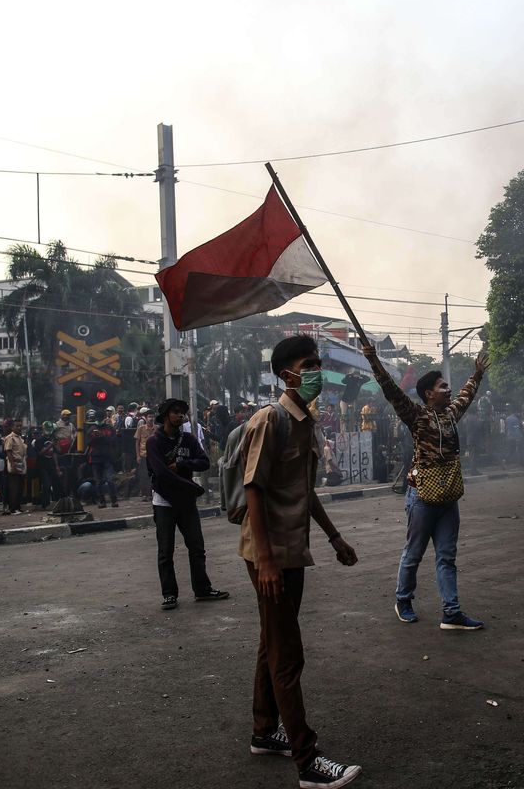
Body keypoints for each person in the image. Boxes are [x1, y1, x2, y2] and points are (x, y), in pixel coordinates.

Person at [239, 335, 362, 788]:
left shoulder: (305, 421)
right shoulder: (270, 420)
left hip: (294, 550)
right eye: (308, 364)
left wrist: (334, 537)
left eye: (317, 364)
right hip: (270, 554)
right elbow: (253, 487)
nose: (316, 373)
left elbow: (302, 492)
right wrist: (267, 561)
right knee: (287, 656)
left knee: (271, 642)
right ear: (286, 373)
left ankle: (263, 730)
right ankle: (308, 761)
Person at [364, 341, 489, 630]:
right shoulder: (416, 415)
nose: (449, 390)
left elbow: (467, 396)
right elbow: (392, 392)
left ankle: (452, 612)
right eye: (443, 386)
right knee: (414, 552)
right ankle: (403, 600)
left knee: (447, 555)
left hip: (448, 495)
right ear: (428, 394)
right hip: (421, 495)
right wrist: (374, 362)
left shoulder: (450, 414)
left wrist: (477, 375)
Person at [147, 398, 228, 610]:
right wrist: (191, 486)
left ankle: (202, 589)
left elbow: (204, 462)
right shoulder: (154, 441)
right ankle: (169, 594)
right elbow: (161, 473)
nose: (180, 416)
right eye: (175, 412)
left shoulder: (189, 440)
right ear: (165, 415)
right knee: (166, 551)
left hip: (186, 503)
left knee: (197, 547)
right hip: (164, 502)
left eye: (182, 412)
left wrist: (183, 463)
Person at [87, 409, 119, 508]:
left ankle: (114, 500)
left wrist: (103, 436)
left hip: (107, 457)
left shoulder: (109, 428)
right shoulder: (91, 429)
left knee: (110, 479)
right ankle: (102, 501)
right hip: (96, 458)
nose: (99, 420)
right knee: (99, 481)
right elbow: (88, 443)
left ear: (104, 418)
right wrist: (95, 437)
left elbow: (113, 440)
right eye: (98, 418)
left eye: (100, 418)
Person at [3, 420, 27, 514]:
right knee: (14, 487)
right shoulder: (10, 438)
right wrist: (13, 465)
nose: (19, 428)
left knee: (20, 486)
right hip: (13, 462)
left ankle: (18, 507)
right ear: (12, 427)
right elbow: (8, 451)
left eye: (20, 426)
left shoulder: (20, 438)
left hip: (21, 462)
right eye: (17, 426)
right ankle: (12, 508)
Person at [134, 408, 155, 501]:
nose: (151, 418)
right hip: (143, 455)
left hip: (154, 456)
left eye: (152, 417)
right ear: (146, 418)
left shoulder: (157, 429)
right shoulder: (141, 429)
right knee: (144, 475)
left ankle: (151, 494)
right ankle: (144, 494)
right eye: (149, 417)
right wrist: (138, 456)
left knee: (153, 475)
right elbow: (137, 443)